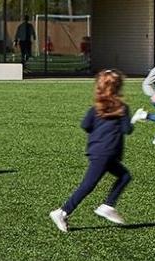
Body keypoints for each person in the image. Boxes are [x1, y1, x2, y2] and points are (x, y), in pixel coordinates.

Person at [50, 69, 133, 232]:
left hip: (97, 151)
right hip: (107, 153)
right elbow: (127, 129)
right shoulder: (122, 108)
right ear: (118, 88)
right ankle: (62, 211)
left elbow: (85, 125)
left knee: (124, 176)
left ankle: (107, 206)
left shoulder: (95, 108)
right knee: (88, 185)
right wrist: (133, 119)